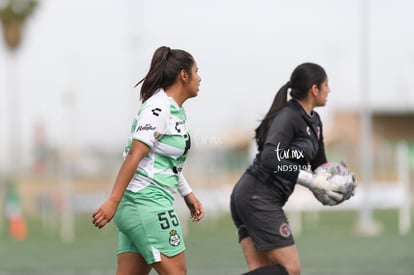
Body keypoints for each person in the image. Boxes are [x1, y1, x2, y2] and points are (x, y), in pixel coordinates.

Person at [230, 63, 356, 275]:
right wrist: (311, 181)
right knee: (291, 269)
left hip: (252, 197)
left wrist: (338, 177)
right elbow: (271, 157)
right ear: (314, 89)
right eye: (326, 84)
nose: (329, 90)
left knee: (261, 269)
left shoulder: (314, 122)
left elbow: (319, 167)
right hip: (257, 196)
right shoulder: (289, 116)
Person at [92, 46, 204, 275]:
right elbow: (135, 155)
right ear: (184, 75)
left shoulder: (175, 110)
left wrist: (187, 193)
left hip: (142, 205)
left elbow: (163, 160)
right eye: (196, 71)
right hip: (145, 204)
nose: (200, 78)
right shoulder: (158, 108)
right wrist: (112, 201)